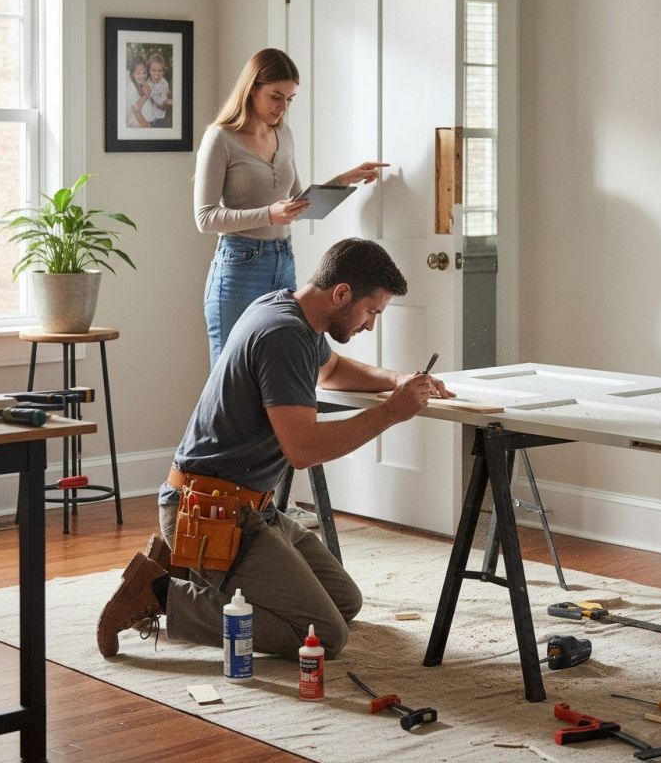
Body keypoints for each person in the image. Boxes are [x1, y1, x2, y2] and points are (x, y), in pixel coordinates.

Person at [96, 238, 453, 661]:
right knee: (327, 637)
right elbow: (302, 450)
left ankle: (181, 564)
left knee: (344, 603)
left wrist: (395, 380)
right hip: (211, 514)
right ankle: (159, 594)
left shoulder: (285, 308)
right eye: (371, 311)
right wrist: (391, 413)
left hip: (248, 509)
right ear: (341, 294)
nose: (370, 325)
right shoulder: (284, 335)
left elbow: (333, 370)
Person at [194, 47, 389, 368]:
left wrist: (345, 179)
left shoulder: (283, 134)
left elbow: (300, 202)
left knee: (281, 362)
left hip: (283, 261)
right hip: (239, 265)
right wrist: (269, 214)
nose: (282, 107)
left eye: (290, 98)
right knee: (231, 372)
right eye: (276, 96)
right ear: (252, 88)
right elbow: (205, 218)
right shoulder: (221, 139)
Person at [144, 52, 171, 128]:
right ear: (149, 70)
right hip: (149, 117)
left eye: (159, 71)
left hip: (161, 117)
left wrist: (161, 104)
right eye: (154, 70)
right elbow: (146, 97)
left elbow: (164, 99)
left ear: (163, 72)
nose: (157, 73)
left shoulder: (164, 83)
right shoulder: (147, 83)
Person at [125, 56, 152, 128]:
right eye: (138, 73)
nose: (142, 75)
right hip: (137, 125)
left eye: (144, 72)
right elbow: (136, 110)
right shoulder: (131, 89)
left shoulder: (140, 84)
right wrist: (147, 125)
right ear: (133, 74)